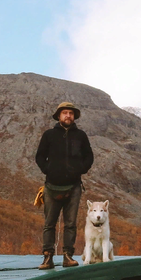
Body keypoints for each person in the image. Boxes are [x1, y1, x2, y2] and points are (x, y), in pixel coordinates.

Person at [35, 101, 94, 269]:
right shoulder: (49, 135)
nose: (68, 115)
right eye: (65, 113)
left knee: (71, 224)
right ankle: (48, 258)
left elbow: (89, 156)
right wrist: (48, 170)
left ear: (74, 116)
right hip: (51, 186)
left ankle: (68, 256)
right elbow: (39, 156)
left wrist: (80, 170)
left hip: (74, 186)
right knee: (49, 224)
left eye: (71, 113)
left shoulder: (81, 135)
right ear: (59, 116)